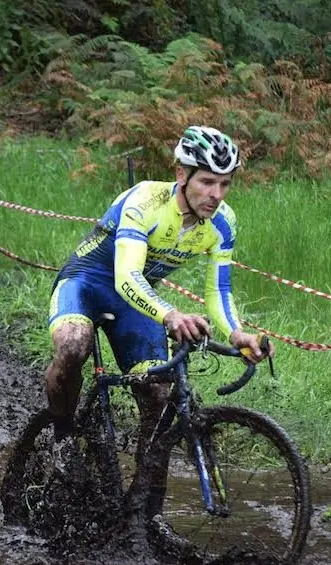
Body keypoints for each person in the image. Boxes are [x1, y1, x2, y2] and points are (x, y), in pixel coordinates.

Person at [45, 125, 272, 517]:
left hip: (137, 300)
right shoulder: (145, 201)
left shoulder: (223, 224)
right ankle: (62, 438)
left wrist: (237, 333)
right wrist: (170, 314)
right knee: (73, 346)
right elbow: (125, 276)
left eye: (224, 184)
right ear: (182, 175)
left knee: (160, 397)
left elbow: (218, 290)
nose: (215, 195)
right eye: (206, 182)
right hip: (87, 282)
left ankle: (143, 511)